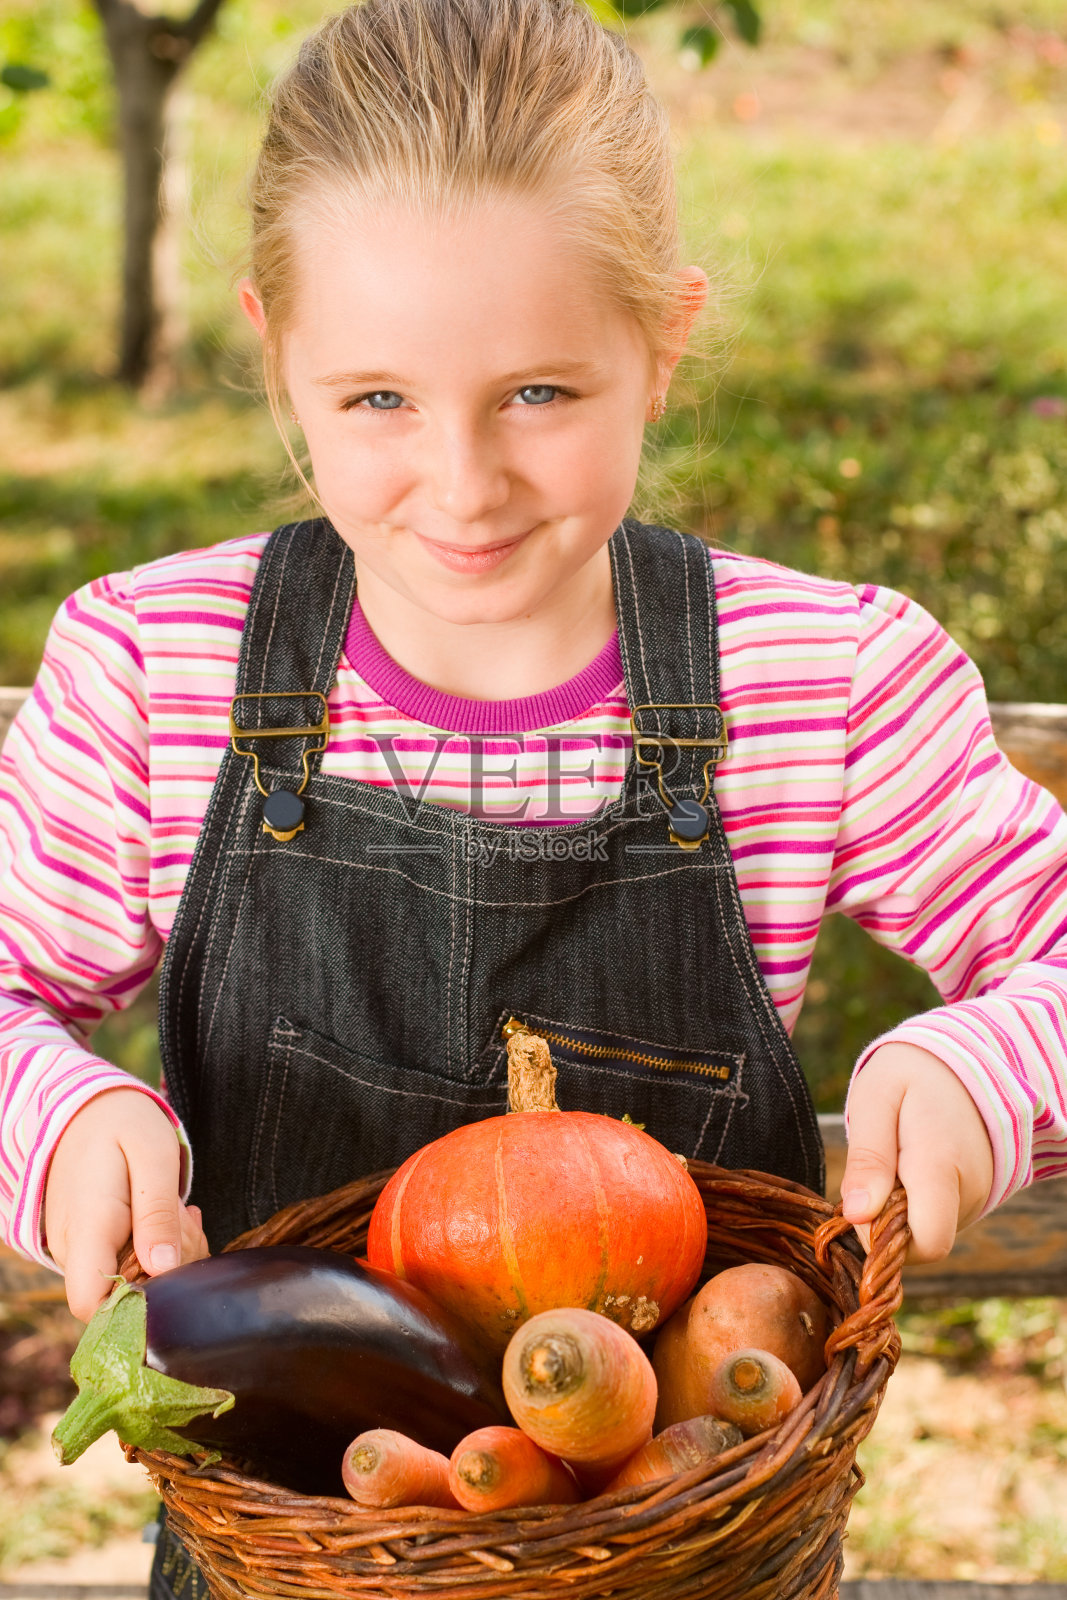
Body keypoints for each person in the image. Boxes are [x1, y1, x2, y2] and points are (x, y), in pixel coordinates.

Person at [1, 0, 1065, 1589]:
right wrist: (62, 1115)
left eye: (540, 395)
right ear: (274, 351)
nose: (465, 483)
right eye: (378, 400)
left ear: (666, 342)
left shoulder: (816, 678)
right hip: (288, 1559)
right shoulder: (157, 673)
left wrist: (991, 1053)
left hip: (691, 1552)